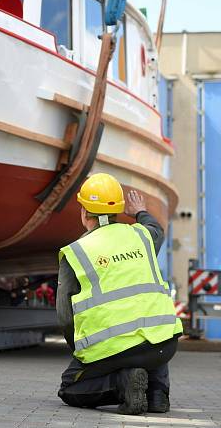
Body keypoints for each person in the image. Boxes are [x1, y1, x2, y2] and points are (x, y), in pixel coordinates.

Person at [57, 173, 182, 415]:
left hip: (114, 350)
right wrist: (141, 212)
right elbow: (157, 230)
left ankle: (122, 384)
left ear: (83, 211)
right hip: (165, 346)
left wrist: (83, 351)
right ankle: (157, 395)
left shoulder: (76, 253)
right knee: (152, 333)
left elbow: (65, 317)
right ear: (118, 210)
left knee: (69, 387)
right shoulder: (142, 236)